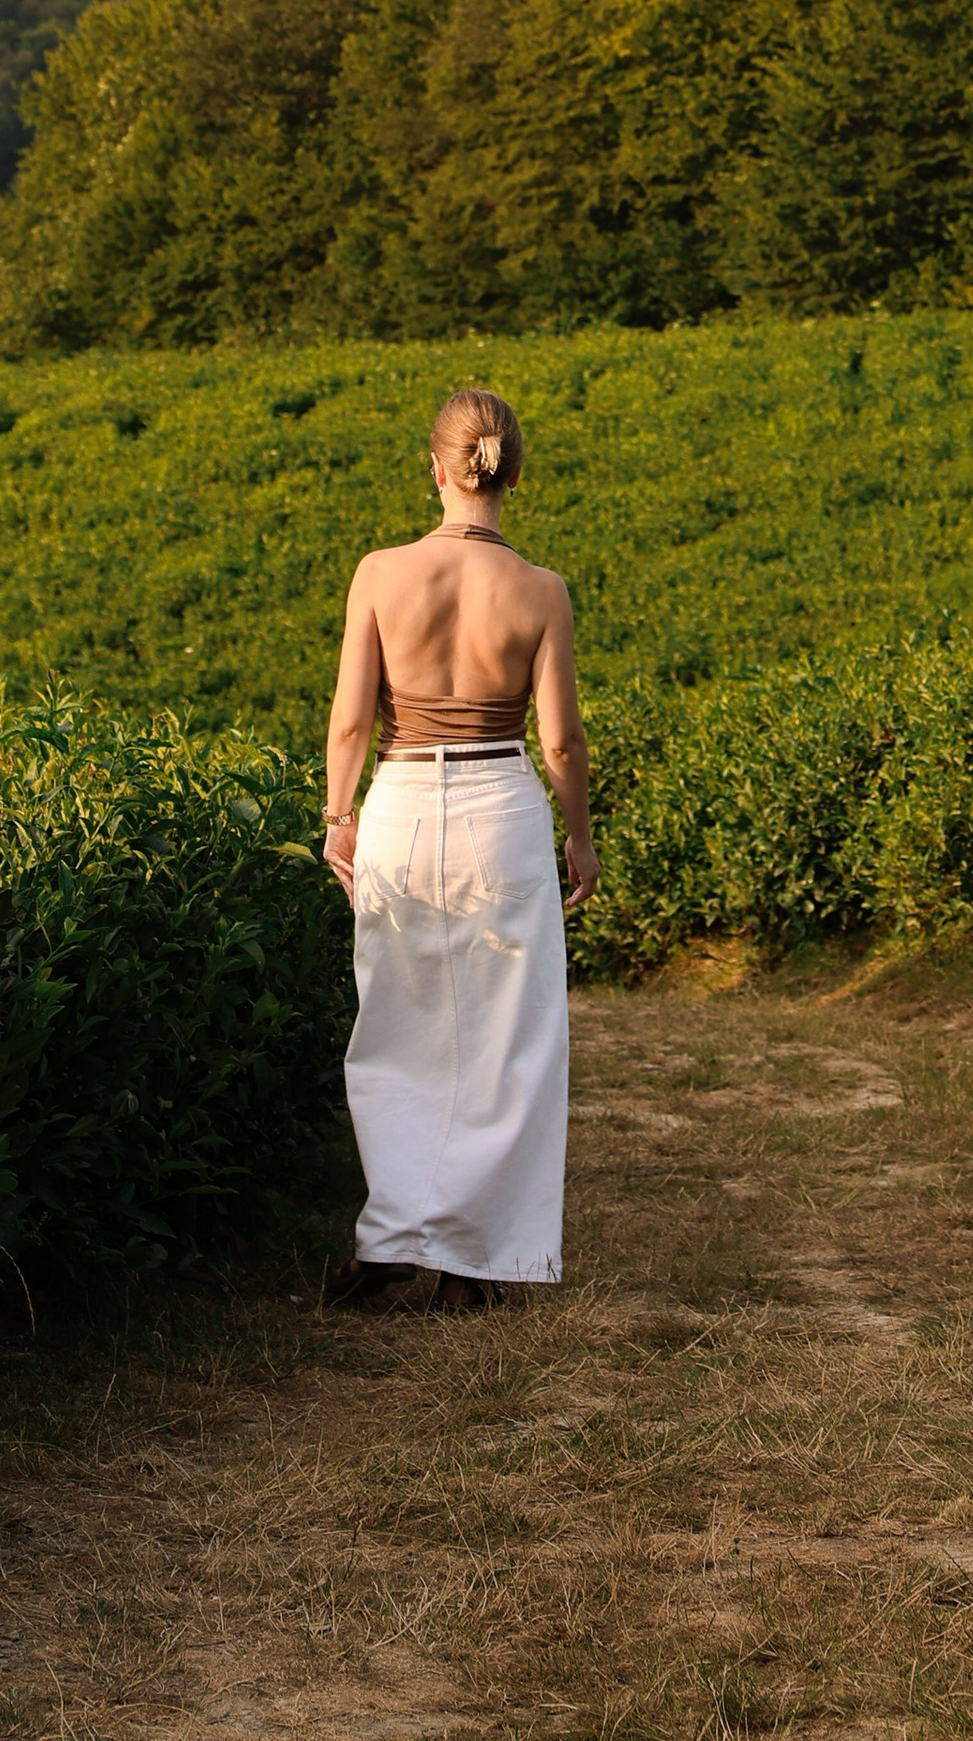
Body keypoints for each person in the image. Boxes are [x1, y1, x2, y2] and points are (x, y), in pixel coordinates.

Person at [320, 383, 599, 1304]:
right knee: (504, 1040)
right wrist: (581, 841)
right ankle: (474, 1262)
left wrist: (338, 817)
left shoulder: (379, 572)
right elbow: (558, 741)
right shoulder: (542, 591)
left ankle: (390, 1245)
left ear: (435, 469)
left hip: (400, 802)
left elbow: (354, 722)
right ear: (512, 474)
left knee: (394, 1028)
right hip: (500, 807)